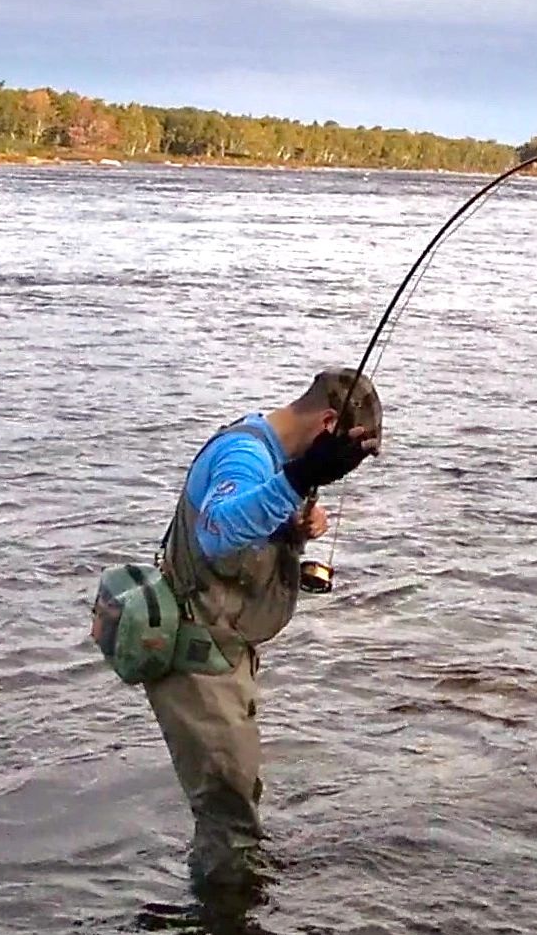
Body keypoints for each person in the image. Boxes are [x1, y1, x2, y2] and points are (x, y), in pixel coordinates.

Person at [148, 366, 383, 890]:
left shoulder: (269, 461)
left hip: (222, 651)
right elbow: (217, 532)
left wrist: (292, 528)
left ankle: (226, 912)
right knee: (227, 816)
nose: (342, 473)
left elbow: (244, 531)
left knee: (234, 799)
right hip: (196, 657)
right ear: (327, 423)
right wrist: (299, 480)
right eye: (344, 458)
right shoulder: (246, 455)